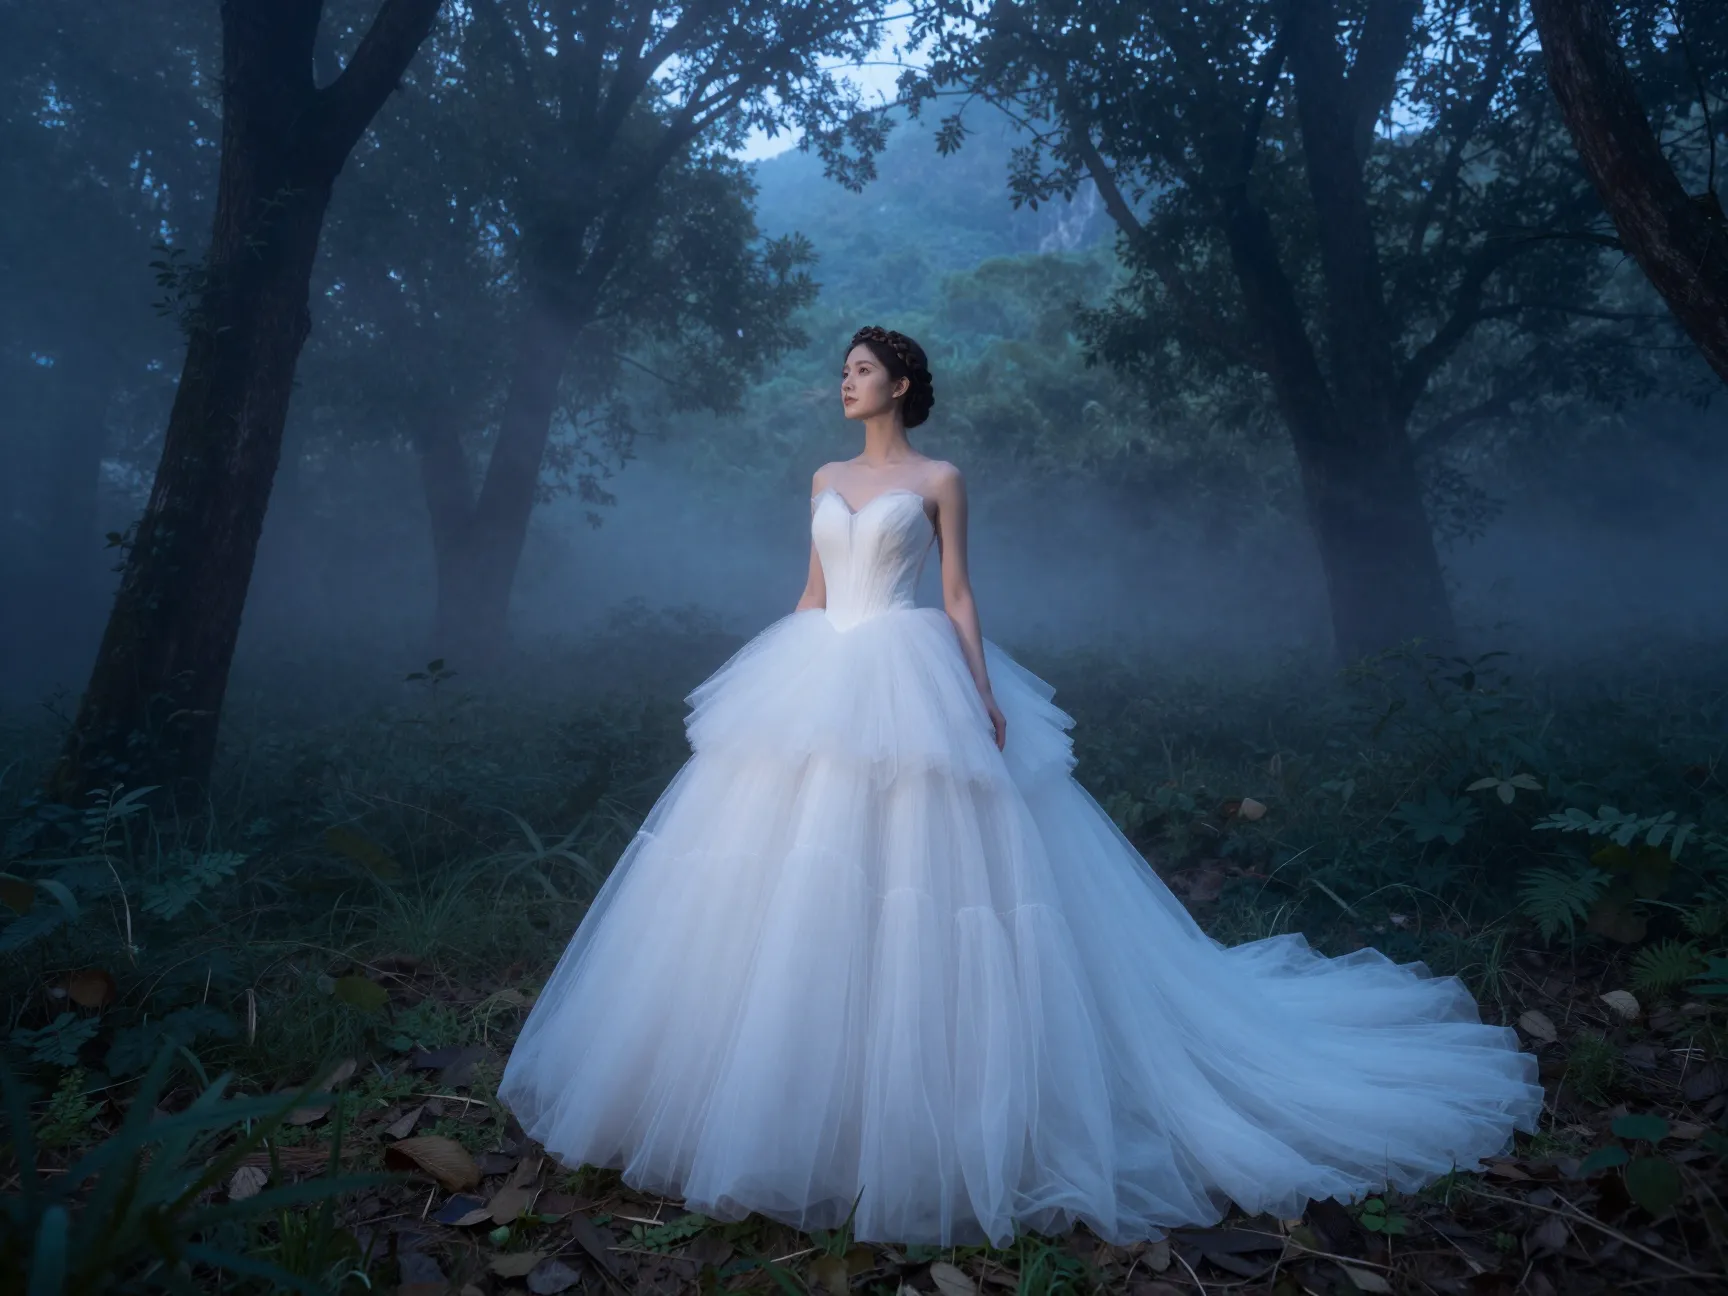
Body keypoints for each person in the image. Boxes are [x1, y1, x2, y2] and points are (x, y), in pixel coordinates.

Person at [497, 325, 1543, 1249]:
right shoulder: (822, 478)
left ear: (902, 384)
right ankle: (784, 1104)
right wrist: (777, 686)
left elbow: (955, 593)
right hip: (821, 672)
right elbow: (811, 591)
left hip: (910, 669)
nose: (844, 384)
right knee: (785, 877)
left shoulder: (940, 478)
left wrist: (982, 694)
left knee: (930, 870)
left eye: (860, 371)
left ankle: (934, 1113)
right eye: (843, 372)